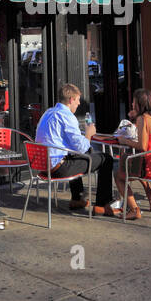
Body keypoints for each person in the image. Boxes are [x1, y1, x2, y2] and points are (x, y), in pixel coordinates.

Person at [35, 82, 112, 214]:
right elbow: (81, 147)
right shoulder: (67, 116)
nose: (79, 103)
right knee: (106, 159)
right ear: (71, 100)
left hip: (41, 166)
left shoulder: (48, 112)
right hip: (57, 169)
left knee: (75, 155)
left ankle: (77, 198)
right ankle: (102, 205)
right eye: (77, 100)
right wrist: (89, 133)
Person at [112, 88, 151, 220]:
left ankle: (134, 209)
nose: (132, 105)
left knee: (118, 174)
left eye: (134, 102)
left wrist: (124, 141)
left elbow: (142, 146)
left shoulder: (143, 118)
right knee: (135, 166)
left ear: (140, 104)